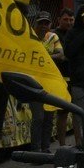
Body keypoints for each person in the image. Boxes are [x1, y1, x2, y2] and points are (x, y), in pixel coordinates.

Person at [31, 11, 63, 151]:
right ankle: (35, 150)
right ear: (35, 23)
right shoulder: (29, 36)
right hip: (33, 82)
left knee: (49, 117)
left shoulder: (53, 37)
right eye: (41, 23)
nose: (43, 26)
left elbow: (61, 54)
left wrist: (44, 57)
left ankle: (46, 148)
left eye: (46, 23)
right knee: (38, 117)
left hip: (50, 82)